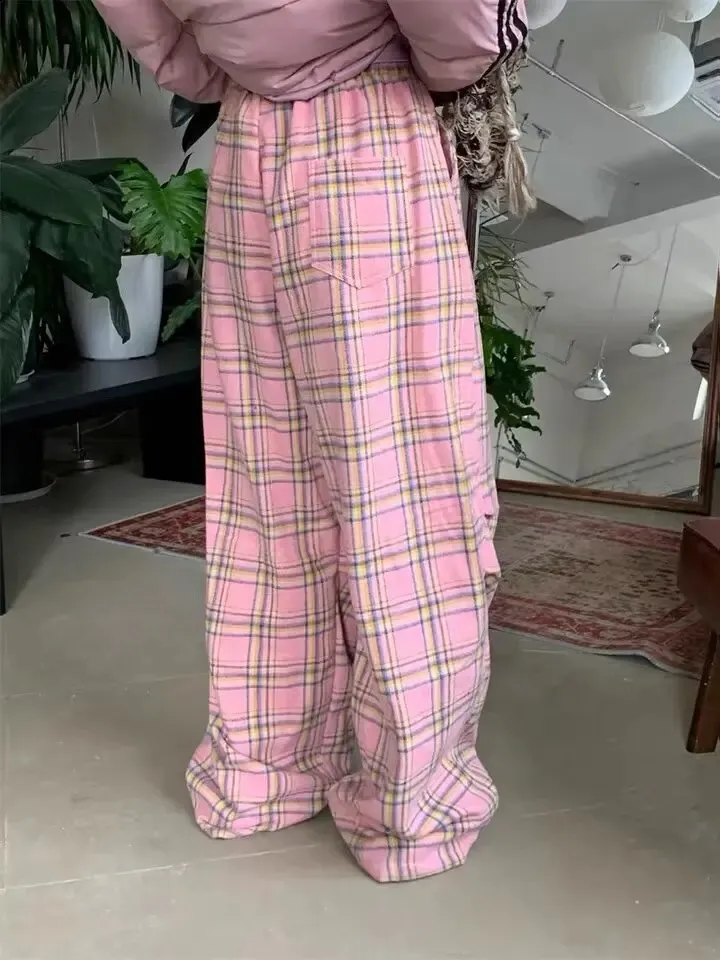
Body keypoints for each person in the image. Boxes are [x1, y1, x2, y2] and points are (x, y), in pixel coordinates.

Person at [92, 0, 524, 883]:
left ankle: (264, 773)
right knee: (404, 498)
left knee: (268, 491)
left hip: (249, 150)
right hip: (372, 134)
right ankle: (409, 804)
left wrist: (248, 63)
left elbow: (171, 50)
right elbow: (457, 33)